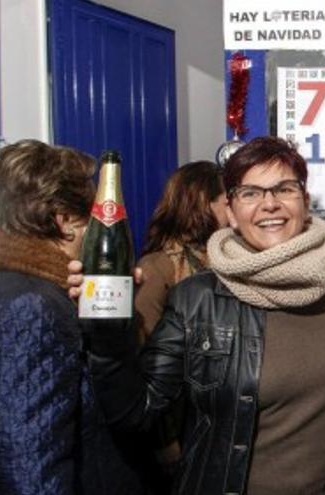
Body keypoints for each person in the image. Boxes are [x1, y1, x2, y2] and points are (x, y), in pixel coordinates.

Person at [73, 136, 325, 494]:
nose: (269, 204)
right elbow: (136, 413)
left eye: (284, 189)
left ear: (304, 201)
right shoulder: (197, 299)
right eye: (250, 193)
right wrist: (107, 333)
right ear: (229, 211)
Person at [0, 139, 142, 494]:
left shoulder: (2, 283)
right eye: (93, 215)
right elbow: (25, 464)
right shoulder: (31, 305)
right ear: (66, 220)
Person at [132, 160, 228, 493]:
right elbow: (147, 365)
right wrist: (165, 442)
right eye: (227, 199)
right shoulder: (159, 267)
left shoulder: (226, 259)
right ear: (205, 204)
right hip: (180, 429)